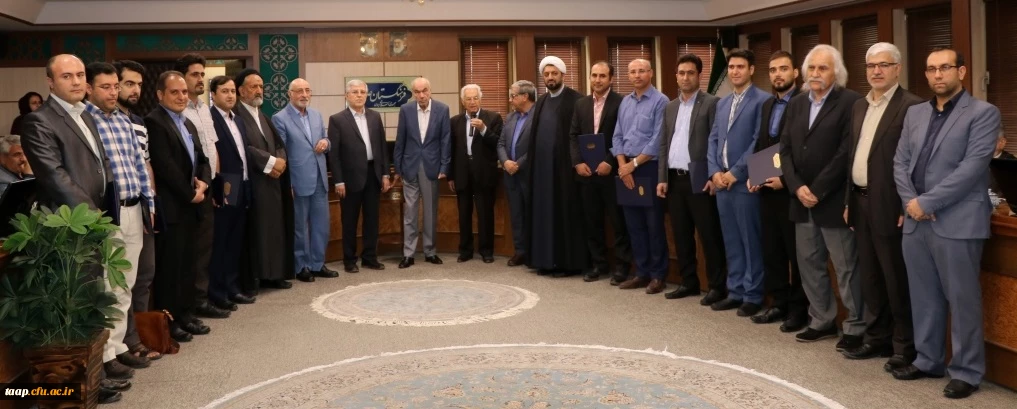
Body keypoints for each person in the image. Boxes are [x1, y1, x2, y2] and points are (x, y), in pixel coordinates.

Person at [892, 48, 1000, 400]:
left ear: (962, 72)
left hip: (957, 220)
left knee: (962, 299)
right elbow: (900, 162)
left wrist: (927, 202)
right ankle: (928, 360)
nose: (938, 75)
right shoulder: (915, 113)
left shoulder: (983, 113)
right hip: (916, 221)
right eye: (931, 69)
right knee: (923, 296)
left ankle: (967, 371)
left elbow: (972, 168)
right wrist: (911, 203)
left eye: (945, 68)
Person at [841, 43, 924, 371]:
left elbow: (917, 163)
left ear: (897, 69)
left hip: (891, 205)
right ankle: (877, 338)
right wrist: (848, 201)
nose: (876, 71)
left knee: (895, 277)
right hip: (860, 202)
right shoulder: (859, 106)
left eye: (884, 65)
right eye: (871, 65)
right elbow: (853, 156)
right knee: (870, 276)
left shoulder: (912, 106)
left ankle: (904, 346)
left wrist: (906, 203)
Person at [778, 44, 864, 351]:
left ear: (836, 73)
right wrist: (797, 186)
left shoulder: (851, 102)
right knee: (809, 263)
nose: (816, 73)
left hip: (833, 201)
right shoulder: (797, 103)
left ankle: (855, 325)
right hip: (801, 200)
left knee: (845, 267)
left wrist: (817, 189)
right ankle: (821, 320)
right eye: (811, 68)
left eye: (823, 68)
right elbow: (785, 149)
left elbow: (846, 152)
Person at [83, 61, 157, 381]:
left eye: (116, 86)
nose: (114, 92)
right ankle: (106, 354)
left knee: (125, 283)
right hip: (107, 214)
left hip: (134, 209)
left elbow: (139, 164)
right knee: (107, 285)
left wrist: (148, 202)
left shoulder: (124, 120)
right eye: (106, 87)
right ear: (89, 89)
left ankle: (118, 346)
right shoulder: (86, 121)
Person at [145, 70, 212, 343]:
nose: (182, 96)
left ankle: (186, 315)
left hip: (192, 206)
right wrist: (190, 194)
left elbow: (203, 159)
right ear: (160, 94)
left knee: (188, 266)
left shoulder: (187, 123)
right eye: (175, 92)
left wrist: (204, 184)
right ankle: (169, 321)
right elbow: (165, 167)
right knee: (170, 269)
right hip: (173, 208)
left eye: (184, 92)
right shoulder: (154, 122)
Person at [746, 50, 808, 332]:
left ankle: (799, 310)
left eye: (783, 69)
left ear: (795, 72)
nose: (777, 74)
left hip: (791, 191)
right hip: (767, 190)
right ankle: (778, 303)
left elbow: (803, 150)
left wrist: (786, 180)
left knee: (796, 255)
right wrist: (755, 174)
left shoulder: (804, 103)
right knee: (772, 251)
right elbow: (764, 144)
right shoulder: (768, 105)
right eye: (772, 70)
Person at [656, 53, 725, 304]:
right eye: (681, 73)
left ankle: (718, 286)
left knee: (709, 235)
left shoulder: (712, 103)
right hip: (675, 179)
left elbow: (718, 142)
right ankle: (689, 282)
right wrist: (662, 177)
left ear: (699, 75)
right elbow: (664, 144)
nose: (685, 77)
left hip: (701, 178)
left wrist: (713, 174)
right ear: (676, 76)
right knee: (681, 234)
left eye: (690, 73)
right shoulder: (670, 106)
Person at [706, 49, 768, 315]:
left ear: (751, 69)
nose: (734, 72)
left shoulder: (762, 101)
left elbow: (758, 142)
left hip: (745, 183)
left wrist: (736, 172)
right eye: (731, 67)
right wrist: (714, 172)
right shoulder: (722, 103)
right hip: (722, 183)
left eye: (740, 67)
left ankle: (753, 295)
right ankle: (735, 290)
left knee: (750, 241)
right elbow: (713, 139)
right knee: (731, 240)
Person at [112, 59, 162, 362]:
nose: (135, 90)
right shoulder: (103, 120)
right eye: (128, 83)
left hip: (143, 207)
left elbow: (145, 164)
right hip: (118, 211)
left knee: (144, 275)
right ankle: (124, 342)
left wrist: (150, 202)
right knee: (120, 282)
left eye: (139, 84)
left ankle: (139, 336)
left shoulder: (139, 122)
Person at [20, 54, 112, 212]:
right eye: (66, 76)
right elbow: (54, 176)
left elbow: (102, 161)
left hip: (100, 211)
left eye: (80, 75)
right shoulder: (38, 121)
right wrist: (90, 213)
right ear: (51, 82)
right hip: (68, 217)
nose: (76, 82)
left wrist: (110, 206)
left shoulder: (86, 115)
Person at [176, 53, 231, 320]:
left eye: (202, 74)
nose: (200, 79)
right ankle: (191, 304)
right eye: (194, 74)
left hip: (209, 186)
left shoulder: (204, 109)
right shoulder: (179, 111)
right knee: (191, 251)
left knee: (208, 248)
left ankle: (204, 297)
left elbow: (213, 149)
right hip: (191, 191)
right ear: (182, 77)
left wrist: (216, 183)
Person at [569, 61, 633, 284]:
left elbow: (623, 135)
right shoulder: (581, 104)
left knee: (618, 222)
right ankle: (599, 264)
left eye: (602, 76)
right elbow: (573, 135)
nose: (597, 80)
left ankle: (622, 267)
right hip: (587, 174)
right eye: (594, 75)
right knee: (592, 221)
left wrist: (609, 161)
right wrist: (577, 162)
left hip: (612, 172)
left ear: (611, 79)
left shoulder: (622, 102)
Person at [232, 68, 296, 290]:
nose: (259, 90)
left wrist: (280, 161)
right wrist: (270, 163)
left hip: (273, 183)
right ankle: (258, 276)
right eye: (253, 86)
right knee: (258, 230)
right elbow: (244, 147)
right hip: (255, 183)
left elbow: (279, 144)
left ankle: (274, 274)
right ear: (241, 91)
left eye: (261, 86)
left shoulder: (263, 116)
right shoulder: (236, 116)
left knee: (274, 229)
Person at [272, 78, 338, 282]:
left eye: (307, 90)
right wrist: (288, 182)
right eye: (299, 91)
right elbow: (281, 152)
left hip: (320, 178)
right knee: (300, 227)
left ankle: (318, 264)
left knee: (321, 225)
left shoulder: (316, 115)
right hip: (297, 180)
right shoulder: (279, 118)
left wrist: (325, 142)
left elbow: (326, 138)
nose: (304, 94)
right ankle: (302, 266)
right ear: (290, 94)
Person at [527, 56, 587, 277]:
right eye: (546, 74)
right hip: (542, 171)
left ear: (563, 75)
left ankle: (564, 264)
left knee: (563, 215)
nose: (550, 77)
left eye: (554, 73)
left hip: (564, 171)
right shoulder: (541, 101)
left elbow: (580, 136)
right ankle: (544, 261)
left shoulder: (576, 100)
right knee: (543, 214)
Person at [613, 59, 669, 294]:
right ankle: (641, 272)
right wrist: (623, 165)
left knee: (653, 224)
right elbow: (617, 136)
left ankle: (658, 275)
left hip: (648, 168)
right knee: (634, 225)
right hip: (626, 168)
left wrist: (633, 165)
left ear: (651, 73)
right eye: (632, 71)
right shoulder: (625, 102)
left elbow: (658, 140)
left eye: (641, 71)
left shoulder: (661, 101)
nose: (637, 75)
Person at [328, 79, 391, 272]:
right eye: (355, 92)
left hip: (373, 174)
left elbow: (382, 147)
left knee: (372, 220)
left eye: (362, 92)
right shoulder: (337, 119)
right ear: (347, 96)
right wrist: (338, 180)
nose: (359, 95)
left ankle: (370, 257)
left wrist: (385, 174)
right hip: (349, 178)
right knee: (349, 221)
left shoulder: (375, 117)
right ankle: (349, 260)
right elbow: (334, 154)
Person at [207, 75, 257, 311]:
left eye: (232, 91)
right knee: (222, 241)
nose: (229, 96)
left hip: (243, 184)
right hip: (225, 186)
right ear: (213, 95)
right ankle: (218, 292)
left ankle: (233, 287)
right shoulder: (210, 119)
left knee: (236, 240)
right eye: (224, 91)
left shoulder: (237, 120)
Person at [393, 77, 451, 269]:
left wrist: (444, 167)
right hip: (409, 166)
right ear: (413, 94)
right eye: (417, 92)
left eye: (424, 90)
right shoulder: (406, 110)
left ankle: (430, 251)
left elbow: (445, 140)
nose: (421, 95)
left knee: (430, 211)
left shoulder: (442, 109)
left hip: (432, 167)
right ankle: (408, 254)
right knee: (410, 212)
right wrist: (398, 168)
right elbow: (400, 139)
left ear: (430, 90)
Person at [449, 84, 503, 263]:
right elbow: (451, 150)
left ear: (480, 99)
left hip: (484, 173)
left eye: (475, 98)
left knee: (485, 214)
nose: (472, 102)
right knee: (464, 214)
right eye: (468, 99)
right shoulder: (454, 121)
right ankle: (465, 250)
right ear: (462, 101)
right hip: (462, 173)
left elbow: (498, 144)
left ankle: (486, 251)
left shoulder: (493, 118)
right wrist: (451, 176)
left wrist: (483, 129)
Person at [497, 80, 536, 267]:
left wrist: (518, 164)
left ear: (525, 96)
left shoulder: (538, 116)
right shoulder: (510, 117)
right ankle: (520, 252)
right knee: (516, 215)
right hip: (510, 175)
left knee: (533, 215)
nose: (510, 99)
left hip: (530, 174)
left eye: (513, 95)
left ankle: (535, 253)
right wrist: (506, 162)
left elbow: (536, 146)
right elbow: (501, 143)